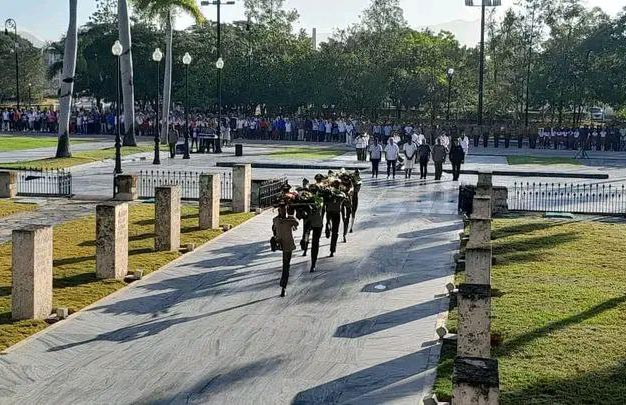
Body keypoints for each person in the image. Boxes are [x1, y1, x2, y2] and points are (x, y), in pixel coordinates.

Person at [273, 204, 299, 297]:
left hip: (285, 245)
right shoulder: (286, 220)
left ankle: (283, 286)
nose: (284, 212)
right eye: (282, 210)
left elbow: (296, 224)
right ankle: (283, 286)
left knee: (286, 265)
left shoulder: (278, 220)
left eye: (284, 210)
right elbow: (296, 224)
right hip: (285, 245)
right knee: (286, 265)